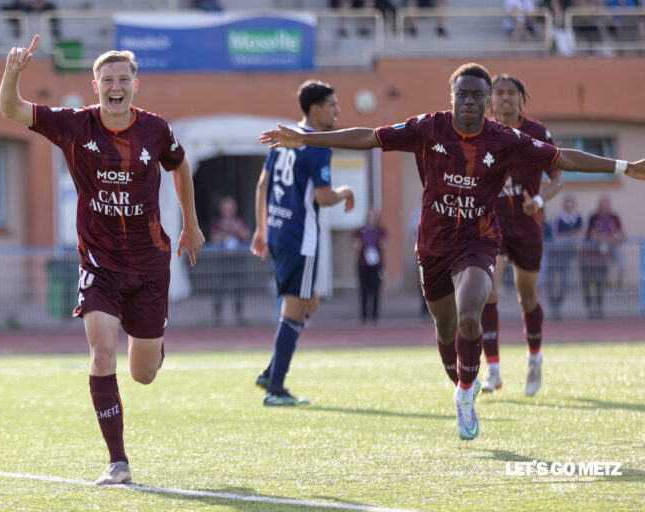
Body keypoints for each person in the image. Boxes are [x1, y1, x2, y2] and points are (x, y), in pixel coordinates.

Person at [260, 62, 645, 439]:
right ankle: (461, 381)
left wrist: (625, 167)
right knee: (444, 327)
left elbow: (561, 157)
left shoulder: (504, 140)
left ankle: (466, 390)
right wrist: (306, 138)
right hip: (433, 245)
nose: (470, 101)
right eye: (463, 94)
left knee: (469, 315)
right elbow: (369, 137)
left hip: (477, 242)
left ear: (487, 101)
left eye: (479, 95)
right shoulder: (428, 127)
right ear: (452, 97)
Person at [0, 35, 204, 485]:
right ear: (95, 86)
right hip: (99, 263)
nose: (115, 85)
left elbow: (180, 166)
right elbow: (11, 110)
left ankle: (152, 339)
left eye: (123, 79)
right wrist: (13, 71)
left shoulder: (156, 129)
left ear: (135, 84)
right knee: (102, 353)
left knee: (144, 374)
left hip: (150, 263)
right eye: (106, 79)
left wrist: (191, 223)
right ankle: (118, 462)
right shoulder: (74, 125)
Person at [251, 79, 355, 406]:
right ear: (315, 109)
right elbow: (323, 197)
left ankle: (271, 371)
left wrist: (260, 228)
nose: (338, 110)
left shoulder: (286, 137)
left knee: (310, 302)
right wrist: (346, 192)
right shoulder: (317, 144)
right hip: (301, 238)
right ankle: (275, 389)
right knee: (296, 308)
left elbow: (262, 184)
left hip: (279, 232)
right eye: (333, 105)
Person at [479, 75, 564, 397]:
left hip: (528, 227)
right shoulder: (482, 132)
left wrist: (539, 200)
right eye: (498, 93)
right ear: (491, 99)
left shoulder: (537, 132)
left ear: (520, 98)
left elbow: (557, 179)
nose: (504, 98)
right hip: (492, 226)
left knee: (526, 297)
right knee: (488, 292)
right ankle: (494, 370)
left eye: (510, 92)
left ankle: (534, 357)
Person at [580, 196, 625, 318]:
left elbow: (621, 235)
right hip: (591, 256)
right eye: (603, 206)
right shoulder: (593, 217)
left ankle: (600, 307)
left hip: (605, 257)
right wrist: (610, 239)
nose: (605, 209)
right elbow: (592, 235)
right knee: (587, 283)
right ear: (599, 206)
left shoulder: (615, 217)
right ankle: (589, 308)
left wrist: (606, 240)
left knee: (600, 282)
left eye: (607, 206)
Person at [209, 195, 251, 325]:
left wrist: (233, 230)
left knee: (239, 289)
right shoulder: (217, 223)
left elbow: (247, 235)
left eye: (230, 208)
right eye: (225, 208)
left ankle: (239, 316)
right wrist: (228, 232)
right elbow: (214, 239)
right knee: (218, 288)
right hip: (222, 260)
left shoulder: (240, 221)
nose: (228, 210)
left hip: (237, 259)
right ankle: (217, 317)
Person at [546, 195, 584, 319]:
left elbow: (581, 235)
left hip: (568, 255)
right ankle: (553, 307)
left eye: (571, 203)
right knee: (552, 282)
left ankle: (558, 304)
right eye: (567, 203)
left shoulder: (578, 218)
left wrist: (567, 237)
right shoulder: (558, 218)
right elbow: (556, 238)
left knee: (565, 284)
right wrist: (572, 235)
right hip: (555, 254)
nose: (569, 206)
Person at [354, 207, 387, 323]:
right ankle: (364, 315)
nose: (371, 219)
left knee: (376, 289)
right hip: (363, 262)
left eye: (373, 216)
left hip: (376, 263)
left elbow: (384, 245)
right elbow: (356, 246)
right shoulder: (360, 231)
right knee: (363, 289)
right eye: (370, 216)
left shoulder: (380, 231)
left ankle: (374, 315)